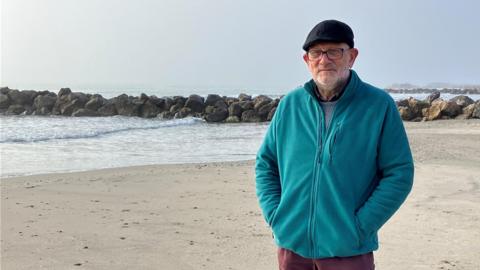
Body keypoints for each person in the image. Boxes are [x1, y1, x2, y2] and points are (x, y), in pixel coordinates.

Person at [255, 19, 414, 270]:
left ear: (352, 56)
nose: (324, 60)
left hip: (348, 250)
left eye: (334, 51)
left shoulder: (378, 105)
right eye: (316, 53)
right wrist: (276, 215)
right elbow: (266, 163)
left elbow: (399, 173)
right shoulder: (290, 105)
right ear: (307, 60)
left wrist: (361, 226)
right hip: (292, 249)